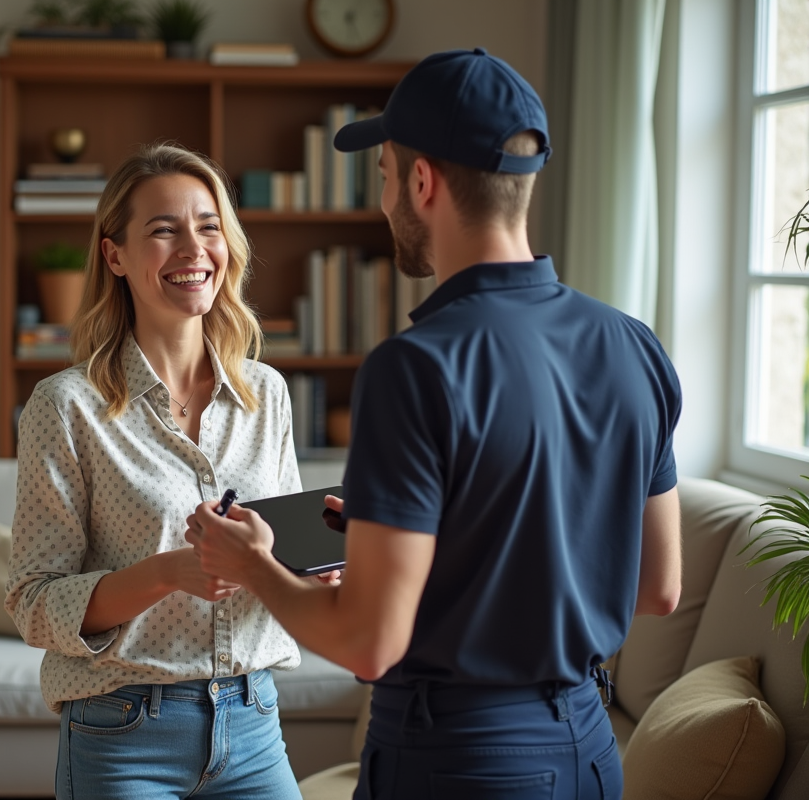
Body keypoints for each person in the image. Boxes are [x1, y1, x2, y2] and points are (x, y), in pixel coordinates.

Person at [186, 48, 682, 799]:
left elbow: (368, 642)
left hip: (458, 761)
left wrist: (257, 566)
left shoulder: (414, 367)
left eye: (384, 175)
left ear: (423, 182)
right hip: (588, 749)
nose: (384, 199)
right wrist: (422, 539)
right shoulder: (633, 345)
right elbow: (658, 586)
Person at [6, 143, 331, 800]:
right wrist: (166, 574)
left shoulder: (266, 393)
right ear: (114, 254)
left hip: (254, 723)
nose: (193, 248)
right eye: (163, 230)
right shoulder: (67, 407)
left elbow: (285, 561)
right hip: (121, 734)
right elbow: (34, 604)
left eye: (208, 226)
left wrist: (320, 559)